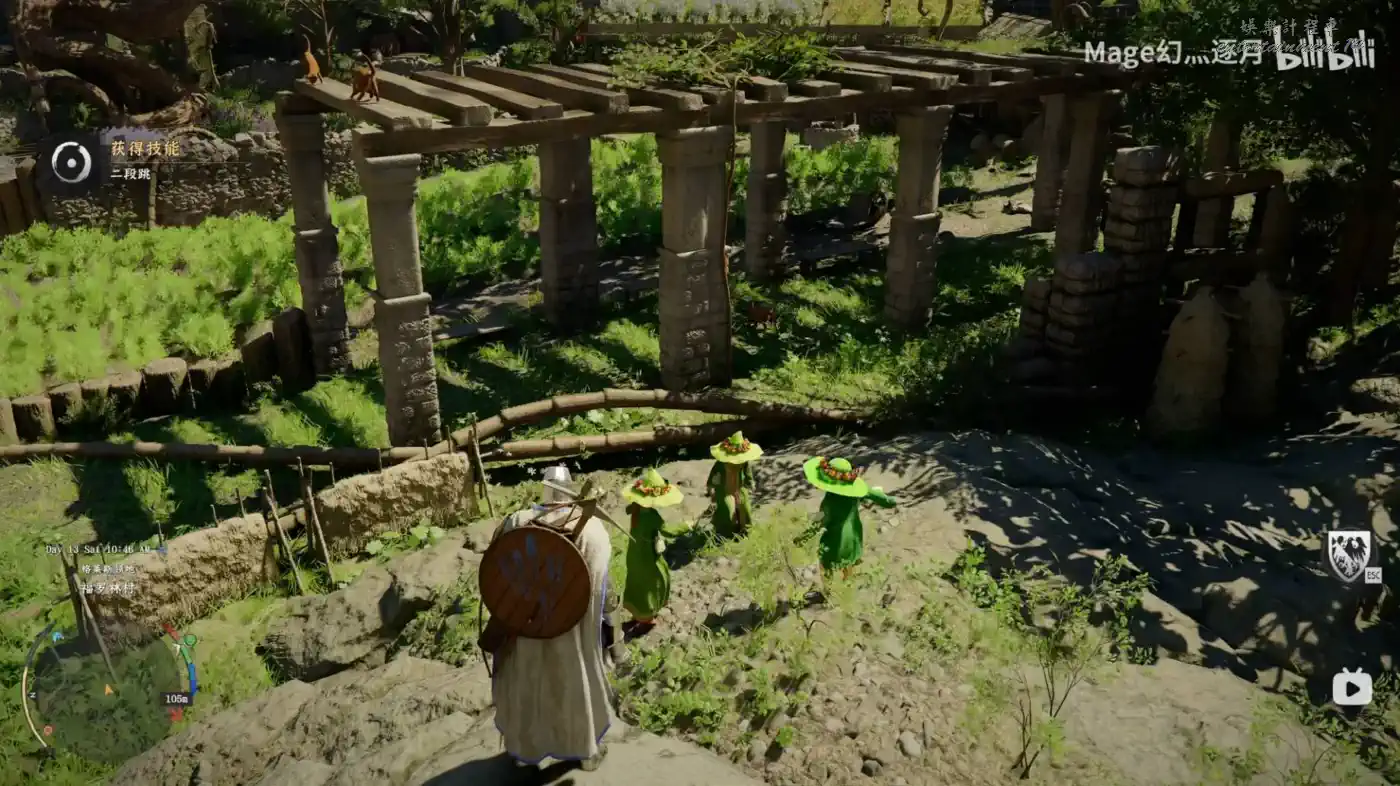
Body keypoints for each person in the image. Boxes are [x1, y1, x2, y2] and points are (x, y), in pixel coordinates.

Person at [487, 465, 614, 772]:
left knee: (527, 683)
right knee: (575, 685)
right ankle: (586, 752)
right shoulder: (593, 530)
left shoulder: (516, 522)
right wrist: (612, 635)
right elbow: (603, 588)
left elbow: (497, 572)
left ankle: (524, 749)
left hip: (525, 626)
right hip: (571, 630)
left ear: (543, 488)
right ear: (570, 488)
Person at [796, 456, 897, 600]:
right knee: (848, 563)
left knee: (826, 566)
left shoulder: (829, 500)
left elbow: (821, 522)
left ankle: (828, 593)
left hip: (834, 539)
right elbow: (878, 497)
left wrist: (803, 538)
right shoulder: (855, 492)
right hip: (853, 536)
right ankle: (847, 588)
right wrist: (890, 501)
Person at [621, 468, 690, 637]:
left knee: (636, 581)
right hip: (647, 555)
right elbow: (668, 531)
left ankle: (637, 614)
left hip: (634, 552)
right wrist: (686, 526)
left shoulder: (635, 509)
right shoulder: (651, 515)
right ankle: (647, 619)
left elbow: (628, 510)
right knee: (654, 581)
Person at [705, 431, 762, 540]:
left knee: (745, 509)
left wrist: (751, 484)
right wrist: (711, 487)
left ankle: (745, 531)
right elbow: (714, 474)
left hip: (740, 488)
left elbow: (748, 473)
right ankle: (725, 534)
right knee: (728, 510)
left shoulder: (744, 462)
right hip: (725, 489)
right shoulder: (721, 463)